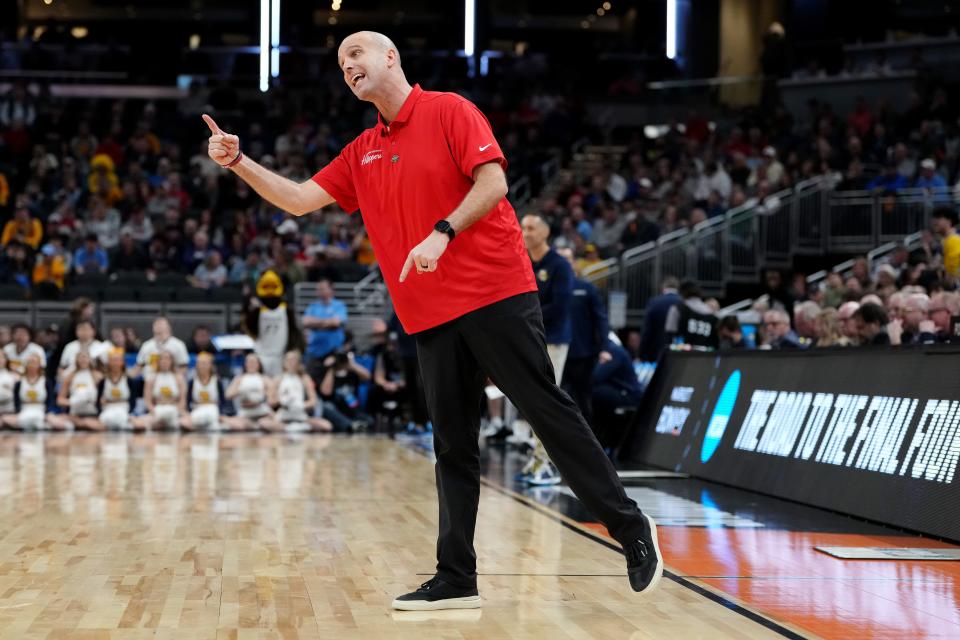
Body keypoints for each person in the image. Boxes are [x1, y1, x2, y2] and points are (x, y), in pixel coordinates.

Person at [203, 31, 662, 610]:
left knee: (544, 408)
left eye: (356, 55)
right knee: (452, 443)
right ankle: (456, 575)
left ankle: (630, 528)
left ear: (390, 57)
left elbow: (493, 181)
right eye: (341, 64)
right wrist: (239, 161)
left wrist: (443, 233)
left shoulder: (450, 109)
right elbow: (297, 199)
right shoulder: (361, 150)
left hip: (494, 291)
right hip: (429, 311)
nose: (348, 68)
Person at [517, 213, 573, 485]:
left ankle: (547, 461)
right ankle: (537, 456)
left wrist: (524, 315)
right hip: (527, 338)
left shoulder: (559, 265)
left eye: (531, 227)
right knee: (530, 401)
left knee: (547, 400)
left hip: (553, 340)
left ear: (545, 232)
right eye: (523, 227)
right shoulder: (520, 260)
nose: (525, 232)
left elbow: (560, 308)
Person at [556, 246, 608, 428]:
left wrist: (605, 348)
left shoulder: (587, 288)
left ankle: (587, 448)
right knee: (556, 401)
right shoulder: (549, 288)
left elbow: (600, 319)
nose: (564, 261)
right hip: (556, 352)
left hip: (583, 355)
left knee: (583, 400)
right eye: (560, 258)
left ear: (574, 262)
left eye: (567, 258)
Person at [260, 349, 333, 432]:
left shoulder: (305, 378)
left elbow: (313, 401)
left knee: (326, 425)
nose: (291, 362)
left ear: (298, 363)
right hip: (283, 416)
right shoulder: (278, 379)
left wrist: (301, 405)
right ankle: (291, 428)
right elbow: (270, 401)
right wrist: (282, 402)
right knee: (264, 423)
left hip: (300, 415)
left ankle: (295, 428)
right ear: (284, 362)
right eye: (289, 360)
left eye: (294, 360)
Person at [302, 279, 348, 382]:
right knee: (310, 380)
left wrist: (316, 324)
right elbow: (306, 322)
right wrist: (328, 323)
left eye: (322, 288)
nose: (319, 291)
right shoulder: (313, 306)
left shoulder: (339, 305)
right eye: (317, 289)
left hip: (333, 352)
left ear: (331, 290)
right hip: (314, 351)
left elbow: (337, 322)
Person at [134, 350, 186, 430]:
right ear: (158, 361)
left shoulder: (179, 378)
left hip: (174, 410)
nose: (164, 361)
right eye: (162, 359)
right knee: (138, 424)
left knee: (186, 423)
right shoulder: (151, 378)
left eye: (167, 359)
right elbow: (147, 401)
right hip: (157, 410)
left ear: (172, 361)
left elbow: (183, 401)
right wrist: (154, 411)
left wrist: (177, 411)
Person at [52, 349, 103, 431]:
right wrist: (72, 401)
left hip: (93, 414)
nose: (83, 360)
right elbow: (60, 400)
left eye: (85, 357)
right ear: (76, 359)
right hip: (75, 414)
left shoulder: (98, 376)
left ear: (90, 359)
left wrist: (94, 400)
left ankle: (83, 423)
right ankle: (80, 423)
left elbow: (104, 398)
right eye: (80, 357)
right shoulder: (69, 377)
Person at [224, 353, 274, 430]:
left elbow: (273, 397)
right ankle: (252, 425)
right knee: (236, 425)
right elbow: (228, 395)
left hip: (262, 411)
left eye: (254, 362)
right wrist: (240, 390)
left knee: (268, 423)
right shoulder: (239, 379)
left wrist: (264, 395)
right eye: (249, 362)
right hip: (245, 411)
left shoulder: (265, 379)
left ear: (259, 364)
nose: (251, 364)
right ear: (245, 364)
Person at [4, 354, 53, 430]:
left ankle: (36, 424)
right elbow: (16, 401)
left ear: (39, 365)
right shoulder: (19, 382)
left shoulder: (46, 382)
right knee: (5, 419)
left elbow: (50, 400)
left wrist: (46, 413)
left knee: (55, 421)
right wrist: (18, 412)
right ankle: (34, 425)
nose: (32, 365)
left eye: (34, 362)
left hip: (41, 410)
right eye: (29, 362)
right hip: (24, 410)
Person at [664, 281, 719, 350]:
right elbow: (716, 342)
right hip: (706, 358)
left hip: (681, 357)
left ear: (682, 293)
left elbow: (669, 335)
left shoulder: (678, 309)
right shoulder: (713, 315)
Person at [638, 277, 680, 362]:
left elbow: (647, 330)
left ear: (663, 288)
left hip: (656, 350)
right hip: (678, 351)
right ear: (677, 288)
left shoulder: (654, 302)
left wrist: (641, 353)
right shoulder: (683, 302)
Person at [181, 352, 226, 431]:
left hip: (212, 408)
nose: (202, 366)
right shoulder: (192, 382)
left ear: (210, 365)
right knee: (190, 420)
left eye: (205, 363)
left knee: (208, 417)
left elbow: (223, 400)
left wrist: (221, 413)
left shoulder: (217, 381)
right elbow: (188, 400)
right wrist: (188, 412)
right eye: (200, 363)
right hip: (197, 408)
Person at [97, 348, 137, 430]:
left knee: (121, 418)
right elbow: (98, 399)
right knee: (106, 419)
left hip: (123, 407)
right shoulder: (103, 381)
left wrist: (129, 411)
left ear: (122, 362)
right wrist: (101, 406)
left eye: (117, 360)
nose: (115, 363)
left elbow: (133, 399)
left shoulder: (129, 380)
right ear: (109, 362)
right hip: (108, 407)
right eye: (113, 360)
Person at [932, 207, 960, 285]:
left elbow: (953, 270)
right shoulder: (944, 241)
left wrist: (947, 289)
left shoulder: (954, 240)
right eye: (934, 218)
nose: (934, 222)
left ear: (949, 221)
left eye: (939, 218)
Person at [0, 351, 19, 421]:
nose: (0, 360)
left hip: (9, 412)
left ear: (6, 360)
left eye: (2, 357)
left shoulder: (15, 377)